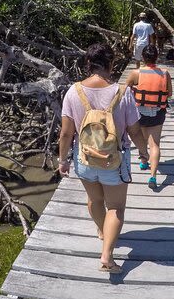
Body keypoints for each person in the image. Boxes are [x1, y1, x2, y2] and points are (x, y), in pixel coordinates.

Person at [58, 43, 149, 273]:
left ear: (88, 65)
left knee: (95, 200)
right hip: (114, 161)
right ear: (111, 64)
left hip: (85, 159)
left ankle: (102, 231)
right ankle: (107, 256)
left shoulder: (73, 92)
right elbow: (135, 131)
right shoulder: (122, 92)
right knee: (116, 208)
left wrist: (62, 160)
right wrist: (144, 150)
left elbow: (66, 133)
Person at [126, 45, 172, 190]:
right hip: (158, 112)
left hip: (140, 112)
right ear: (157, 57)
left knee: (142, 137)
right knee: (155, 144)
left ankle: (144, 160)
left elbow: (125, 91)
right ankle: (153, 176)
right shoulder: (165, 73)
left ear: (143, 58)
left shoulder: (135, 73)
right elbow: (169, 94)